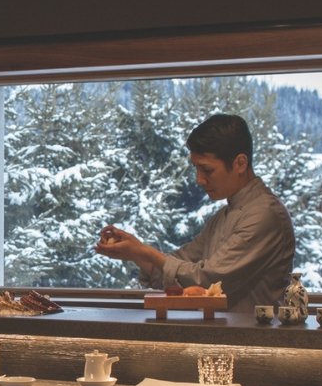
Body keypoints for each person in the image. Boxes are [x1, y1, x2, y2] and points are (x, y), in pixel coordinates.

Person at [95, 113, 295, 313]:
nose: (199, 179)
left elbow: (209, 279)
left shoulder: (264, 215)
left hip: (252, 340)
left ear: (240, 163)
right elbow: (180, 266)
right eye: (196, 169)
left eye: (207, 170)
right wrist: (134, 252)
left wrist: (143, 251)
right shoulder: (223, 216)